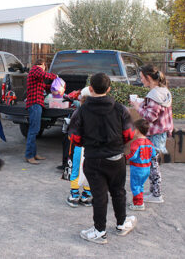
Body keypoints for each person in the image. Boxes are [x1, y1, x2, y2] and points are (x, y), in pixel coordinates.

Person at [71, 73, 136, 244]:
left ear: (90, 89)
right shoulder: (120, 109)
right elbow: (129, 134)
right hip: (116, 159)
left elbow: (75, 139)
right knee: (118, 192)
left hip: (93, 160)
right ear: (109, 89)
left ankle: (99, 231)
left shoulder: (81, 111)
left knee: (99, 196)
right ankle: (121, 224)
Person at [130, 64, 173, 204]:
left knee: (152, 164)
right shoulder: (163, 91)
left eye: (142, 77)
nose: (141, 80)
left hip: (155, 133)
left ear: (148, 77)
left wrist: (137, 107)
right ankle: (154, 191)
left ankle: (156, 195)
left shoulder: (154, 94)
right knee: (152, 163)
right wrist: (143, 103)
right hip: (161, 132)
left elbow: (150, 117)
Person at [25, 58, 57, 164]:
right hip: (34, 104)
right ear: (42, 65)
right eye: (44, 66)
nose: (44, 69)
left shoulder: (37, 77)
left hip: (37, 104)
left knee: (35, 130)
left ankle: (33, 154)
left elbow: (45, 86)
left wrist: (54, 87)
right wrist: (55, 77)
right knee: (33, 130)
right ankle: (29, 156)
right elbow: (45, 75)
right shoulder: (35, 69)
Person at [66, 93, 92, 208]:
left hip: (79, 147)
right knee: (90, 172)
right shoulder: (97, 115)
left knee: (76, 170)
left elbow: (71, 133)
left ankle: (74, 196)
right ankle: (87, 196)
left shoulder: (78, 113)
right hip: (93, 148)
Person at [126, 119, 157, 211]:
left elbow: (133, 156)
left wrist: (126, 157)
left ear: (138, 130)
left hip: (137, 168)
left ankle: (138, 204)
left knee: (135, 186)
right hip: (146, 168)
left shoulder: (135, 143)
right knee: (141, 185)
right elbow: (154, 154)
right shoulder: (149, 142)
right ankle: (139, 201)